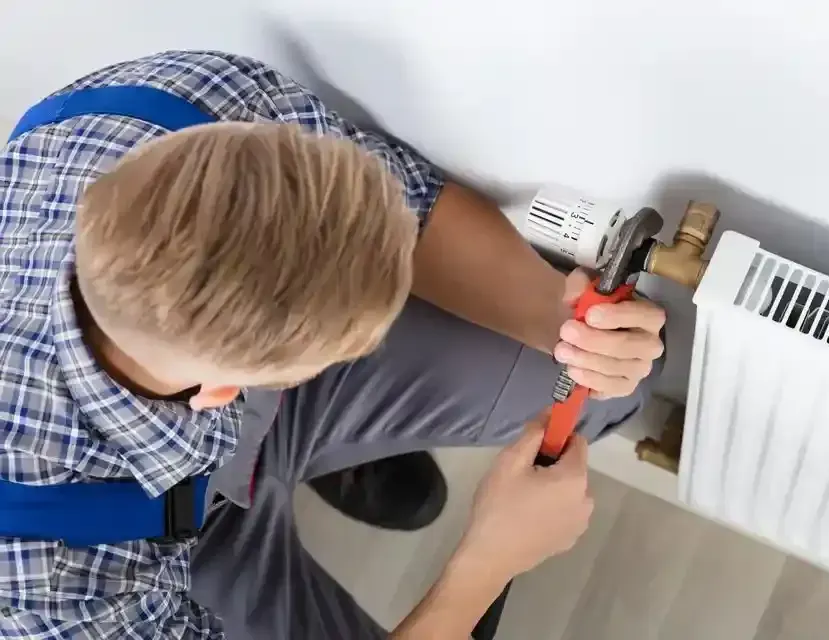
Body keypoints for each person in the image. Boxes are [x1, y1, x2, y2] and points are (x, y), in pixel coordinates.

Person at [0, 50, 667, 638]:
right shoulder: (57, 597)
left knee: (602, 394)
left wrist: (566, 328)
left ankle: (324, 459)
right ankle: (315, 464)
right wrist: (486, 564)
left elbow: (419, 214)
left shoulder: (196, 96)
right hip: (155, 543)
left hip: (179, 422)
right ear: (238, 390)